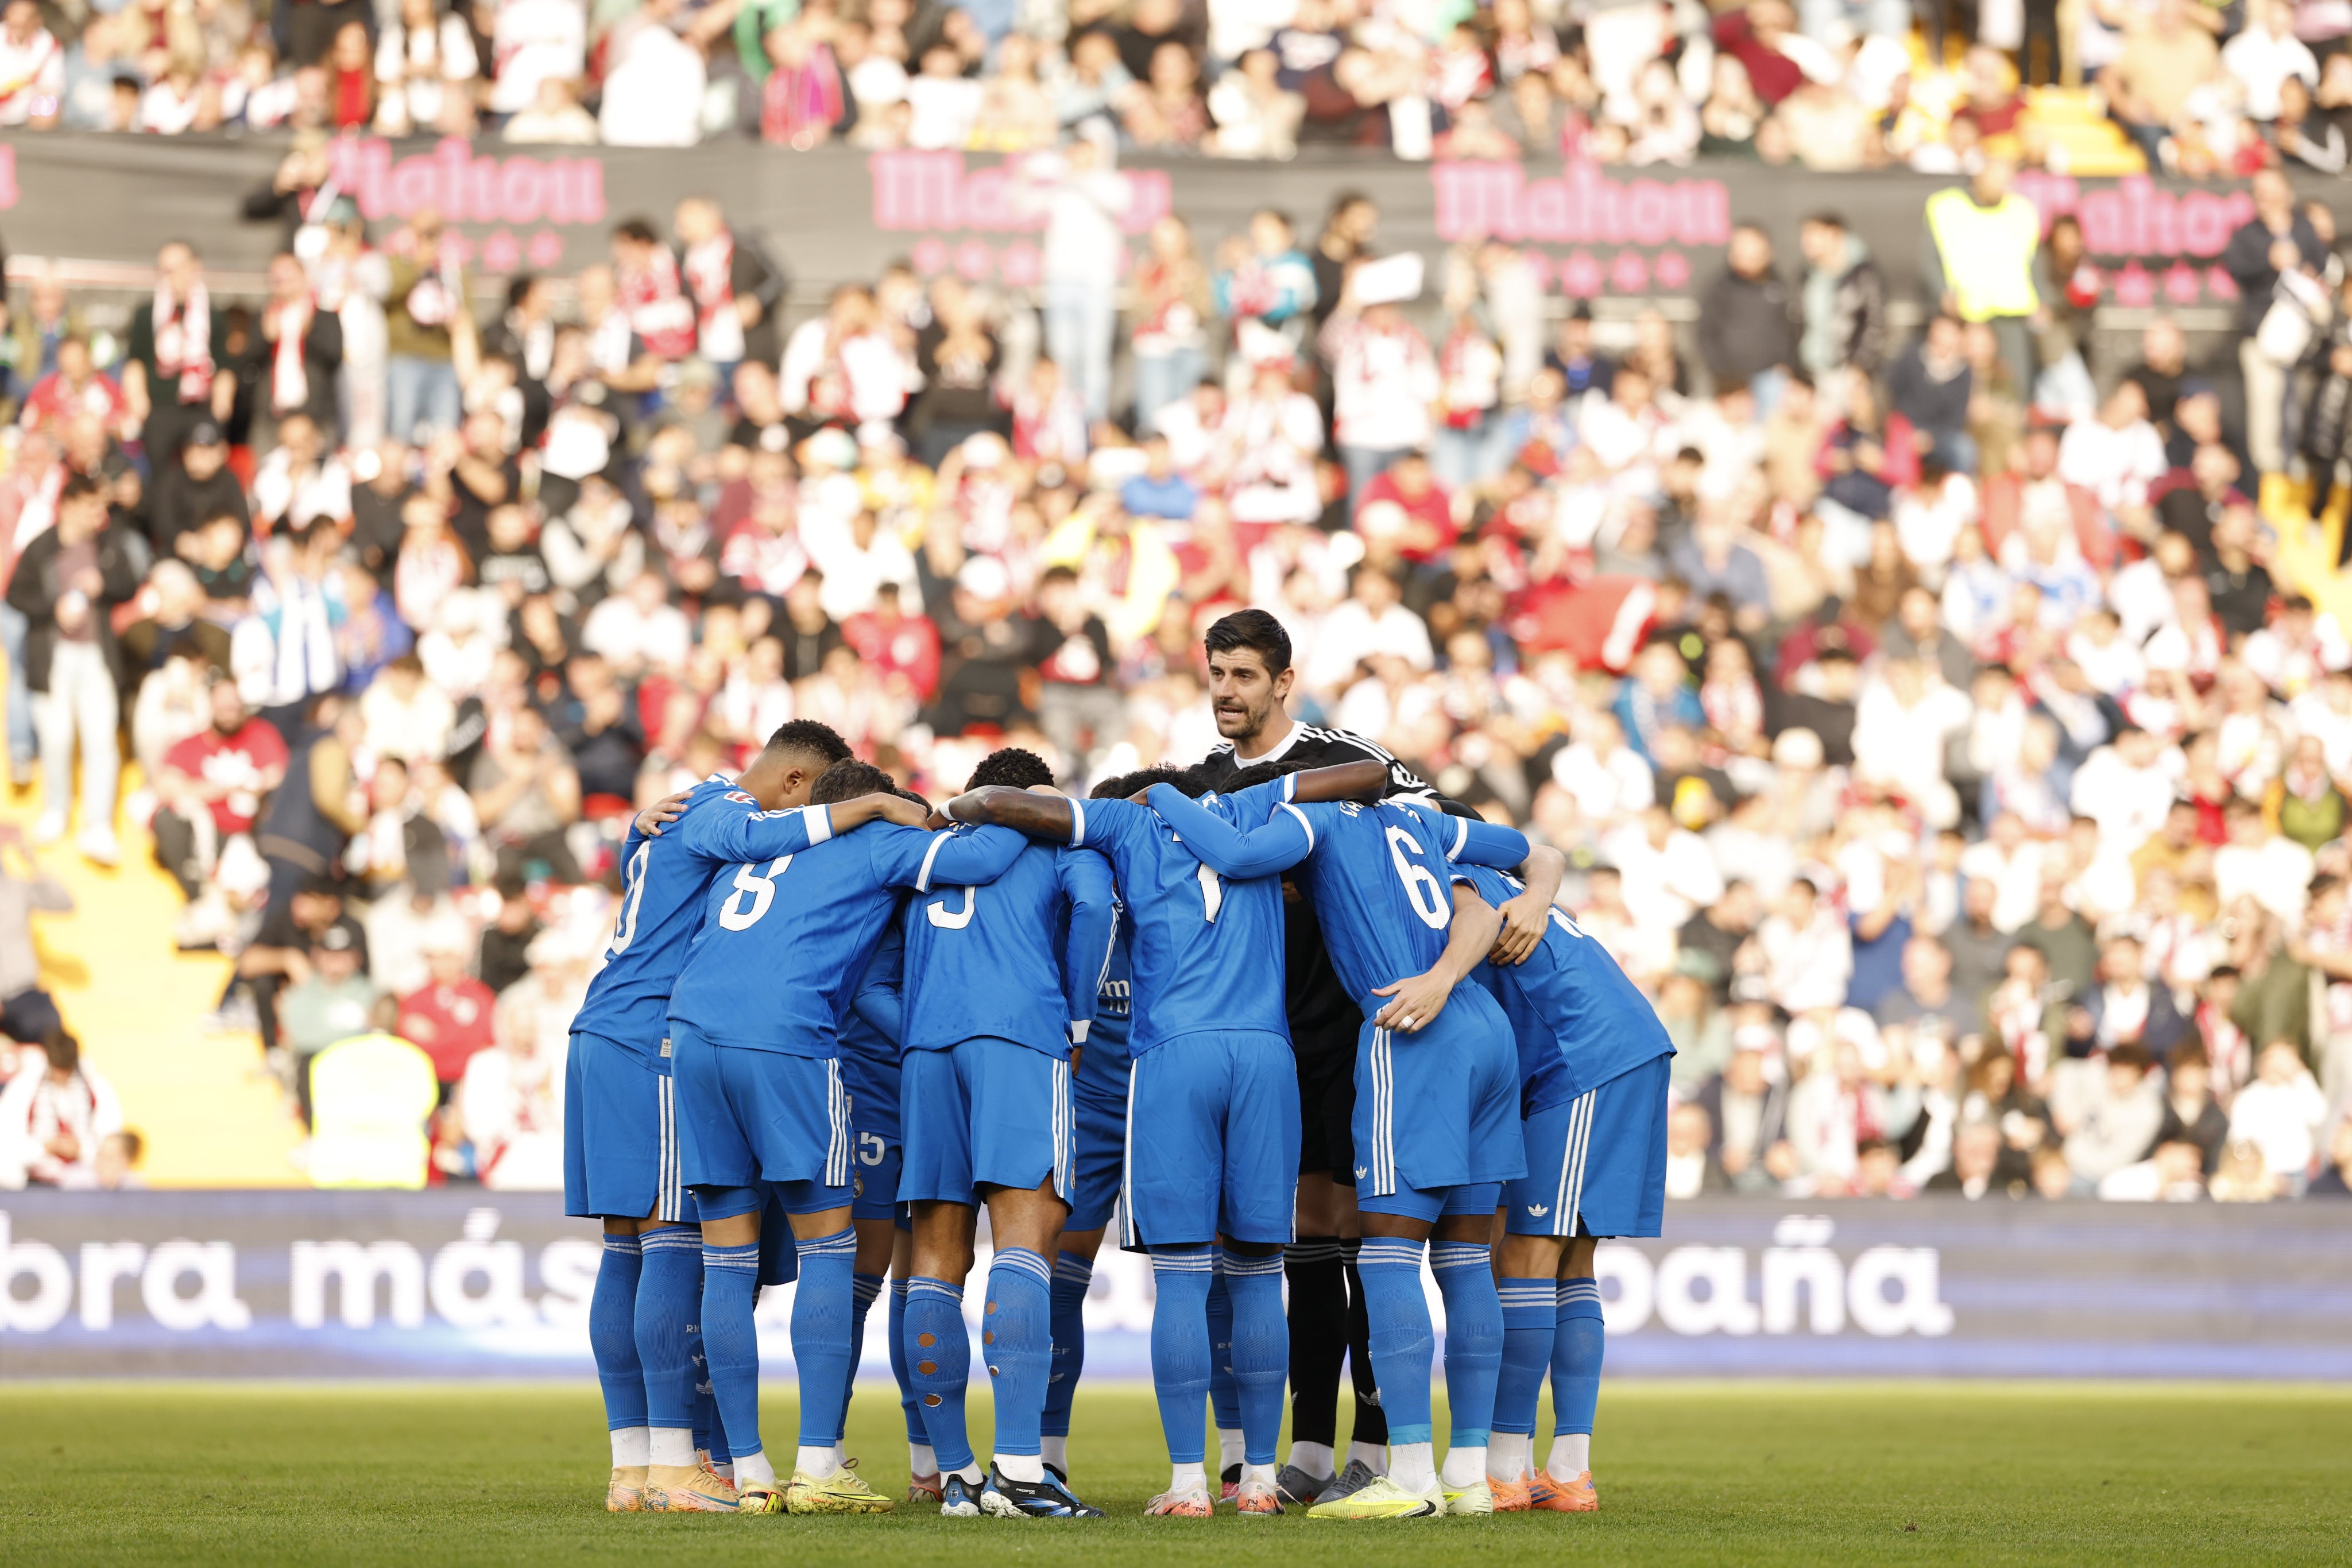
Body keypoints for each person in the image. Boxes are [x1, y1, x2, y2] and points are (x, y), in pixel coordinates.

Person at [941, 756, 1378, 1517]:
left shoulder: (1126, 819)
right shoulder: (1260, 815)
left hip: (1175, 1054)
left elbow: (1005, 801)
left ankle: (1186, 1485)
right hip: (1267, 1056)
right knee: (1255, 1274)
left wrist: (955, 805)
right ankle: (1262, 1478)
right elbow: (1368, 774)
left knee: (1181, 1276)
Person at [1123, 760, 1528, 1520]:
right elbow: (1520, 847)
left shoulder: (1320, 820)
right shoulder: (1423, 821)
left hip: (1410, 1023)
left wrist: (1172, 796)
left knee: (1386, 1253)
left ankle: (1407, 1473)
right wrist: (1532, 898)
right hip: (1482, 1023)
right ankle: (1471, 1473)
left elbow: (1240, 856)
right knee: (1469, 1256)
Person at [666, 756, 1028, 1516]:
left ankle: (748, 1471)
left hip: (693, 1036)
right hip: (788, 1040)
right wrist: (1006, 805)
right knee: (831, 1250)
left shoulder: (756, 837)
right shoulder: (872, 841)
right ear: (870, 803)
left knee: (726, 1264)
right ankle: (821, 1464)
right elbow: (984, 853)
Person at [563, 719, 892, 1512]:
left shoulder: (677, 815)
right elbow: (750, 832)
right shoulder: (722, 810)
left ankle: (635, 1466)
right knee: (674, 1247)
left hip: (602, 1029)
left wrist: (629, 826)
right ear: (795, 785)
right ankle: (676, 1463)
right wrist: (870, 808)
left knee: (628, 1248)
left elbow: (641, 858)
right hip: (654, 1038)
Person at [1187, 607, 1441, 1504]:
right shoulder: (1204, 780)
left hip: (1364, 1026)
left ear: (1283, 681)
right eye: (1217, 673)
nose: (1225, 691)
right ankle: (1311, 1447)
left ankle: (1377, 1441)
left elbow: (1441, 831)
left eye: (1244, 675)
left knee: (1367, 1232)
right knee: (1303, 1237)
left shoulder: (1339, 755)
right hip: (1276, 1035)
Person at [881, 746, 1114, 1519]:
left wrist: (918, 1026)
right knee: (1025, 1239)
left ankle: (955, 1476)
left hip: (926, 1053)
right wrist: (1074, 1018)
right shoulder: (1053, 839)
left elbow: (875, 969)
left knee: (936, 1258)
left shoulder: (930, 847)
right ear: (1037, 795)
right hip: (1019, 1037)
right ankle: (1019, 1470)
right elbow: (1093, 907)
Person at [1450, 855, 1673, 1514]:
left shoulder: (1454, 892)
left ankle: (1504, 1468)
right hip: (1621, 1049)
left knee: (1526, 1253)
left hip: (1583, 1060)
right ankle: (1567, 1471)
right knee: (1572, 1262)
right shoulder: (1512, 889)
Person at [10, 474, 138, 864]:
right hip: (53, 656)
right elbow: (16, 593)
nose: (99, 515)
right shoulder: (41, 547)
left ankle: (98, 824)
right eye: (91, 507)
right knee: (56, 736)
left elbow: (130, 582)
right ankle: (56, 809)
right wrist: (54, 610)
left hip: (97, 655)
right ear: (67, 505)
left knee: (101, 738)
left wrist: (105, 581)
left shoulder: (109, 544)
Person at [1921, 155, 2039, 400]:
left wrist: (2042, 299)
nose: (2000, 185)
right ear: (1978, 176)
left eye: (2005, 179)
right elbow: (1928, 257)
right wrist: (1941, 292)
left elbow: (2034, 260)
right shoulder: (1946, 207)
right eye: (1994, 177)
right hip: (1963, 313)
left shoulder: (2022, 210)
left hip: (2010, 313)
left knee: (2015, 385)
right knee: (1959, 385)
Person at [0, 1029, 121, 1188]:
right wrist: (44, 1148)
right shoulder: (24, 1086)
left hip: (86, 1181)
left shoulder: (98, 1087)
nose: (61, 1076)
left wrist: (81, 1150)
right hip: (34, 1181)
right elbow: (7, 1140)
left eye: (66, 1071)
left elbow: (112, 1140)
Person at [0, 823, 71, 1046]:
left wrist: (30, 860)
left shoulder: (16, 889)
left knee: (56, 1044)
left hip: (24, 995)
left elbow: (65, 903)